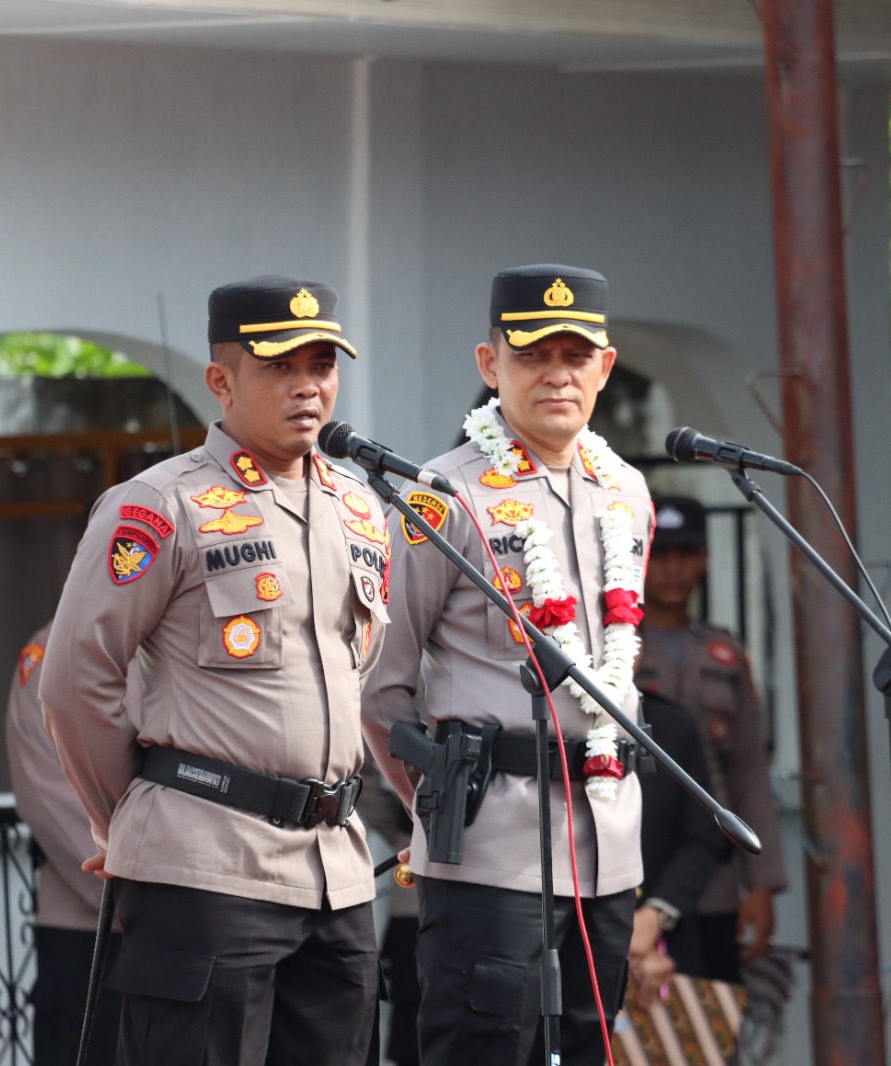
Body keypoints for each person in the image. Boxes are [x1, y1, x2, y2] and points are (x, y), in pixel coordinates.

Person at [39, 275, 389, 1066]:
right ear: (221, 382)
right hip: (205, 866)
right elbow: (75, 679)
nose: (308, 386)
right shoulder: (160, 504)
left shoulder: (362, 510)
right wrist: (124, 820)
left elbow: (357, 670)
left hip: (334, 873)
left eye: (322, 365)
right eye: (280, 367)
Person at [364, 264, 655, 1065]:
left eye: (576, 355)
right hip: (491, 848)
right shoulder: (441, 496)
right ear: (491, 364)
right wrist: (436, 806)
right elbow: (382, 686)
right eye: (532, 354)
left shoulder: (629, 493)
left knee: (591, 1048)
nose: (557, 374)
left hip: (607, 848)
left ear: (604, 366)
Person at [633, 496, 787, 984]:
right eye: (661, 554)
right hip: (636, 855)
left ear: (705, 558)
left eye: (686, 554)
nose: (673, 569)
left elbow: (749, 771)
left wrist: (761, 884)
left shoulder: (725, 653)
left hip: (714, 873)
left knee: (711, 1011)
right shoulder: (616, 647)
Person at [4, 622, 124, 1066]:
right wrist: (143, 890)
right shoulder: (53, 650)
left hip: (196, 933)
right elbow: (48, 799)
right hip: (89, 934)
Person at [626, 690, 729, 1009]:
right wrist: (617, 936)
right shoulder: (537, 718)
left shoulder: (671, 724)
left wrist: (654, 916)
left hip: (662, 946)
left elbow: (702, 839)